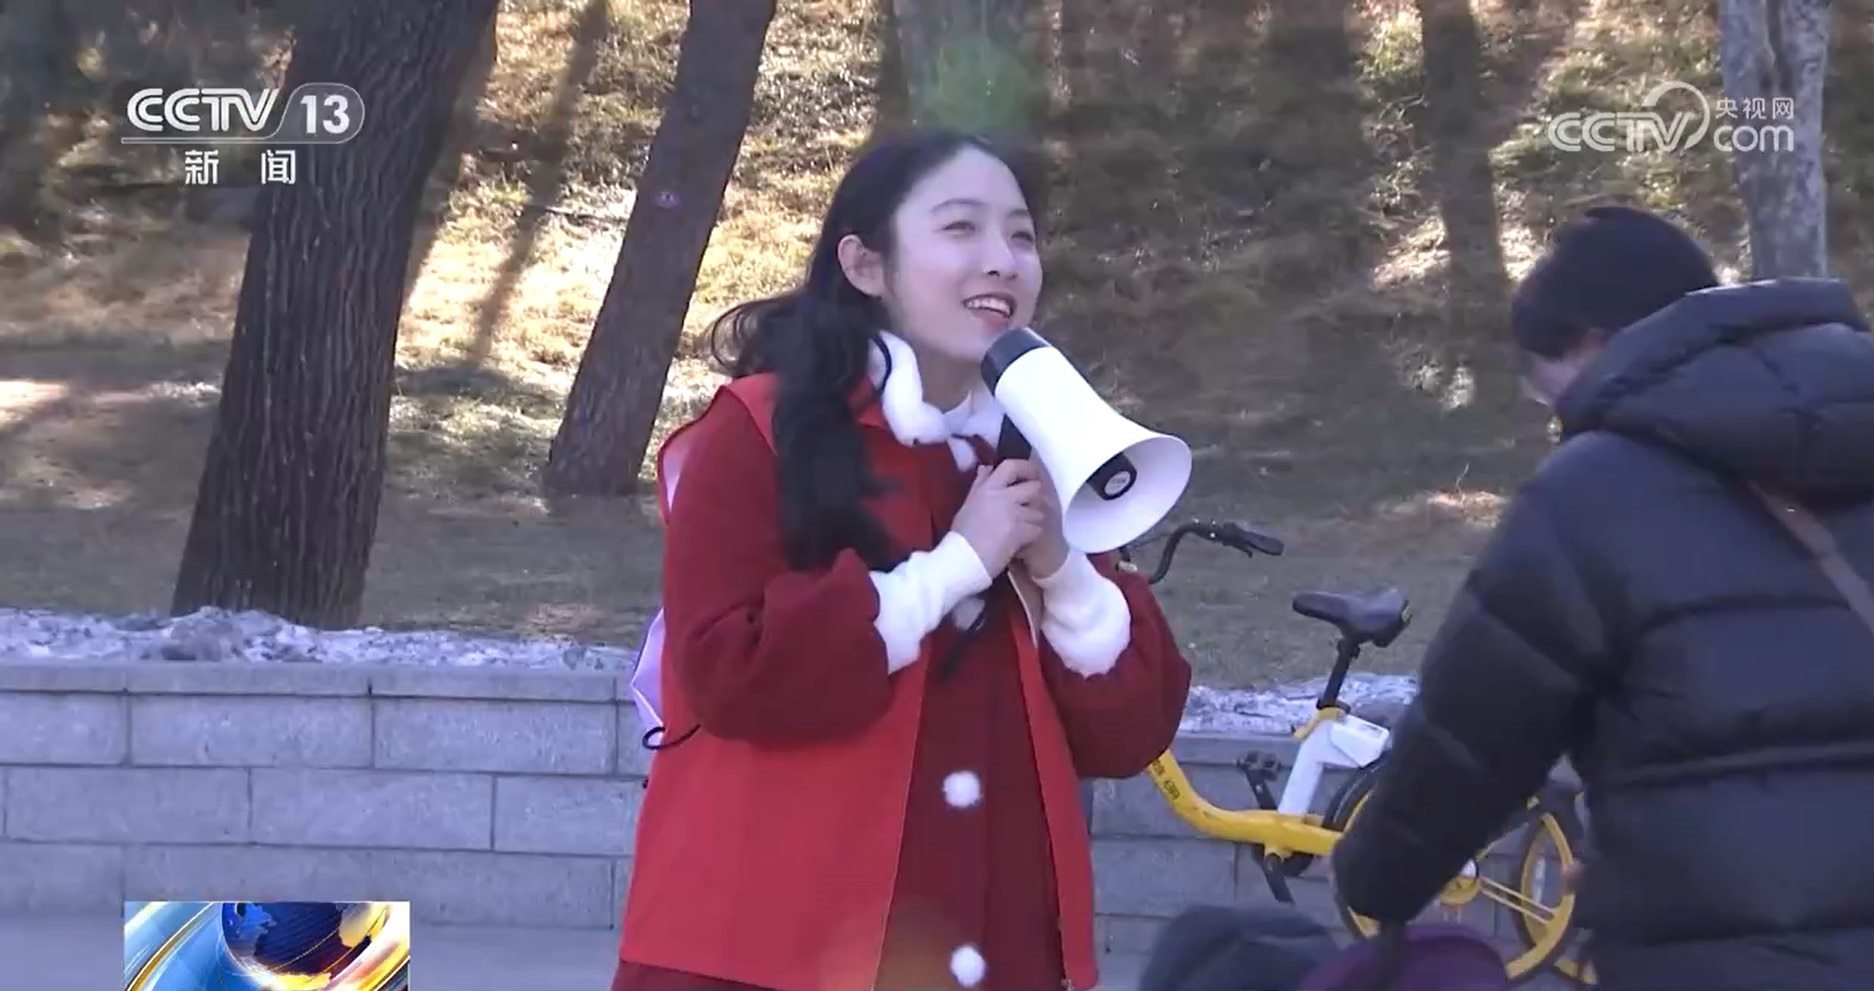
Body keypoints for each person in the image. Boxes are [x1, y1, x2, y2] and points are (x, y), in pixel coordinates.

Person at [610, 129, 1194, 991]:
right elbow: (729, 669)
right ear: (865, 263)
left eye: (1022, 235)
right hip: (768, 953)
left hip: (995, 950)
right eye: (960, 228)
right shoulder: (759, 428)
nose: (1002, 259)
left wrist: (1064, 566)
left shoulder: (1040, 446)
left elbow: (1127, 733)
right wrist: (955, 564)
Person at [1329, 203, 1874, 990]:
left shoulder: (1594, 490)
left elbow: (1473, 734)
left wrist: (1378, 876)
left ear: (1592, 342)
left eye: (1548, 388)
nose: (1558, 416)